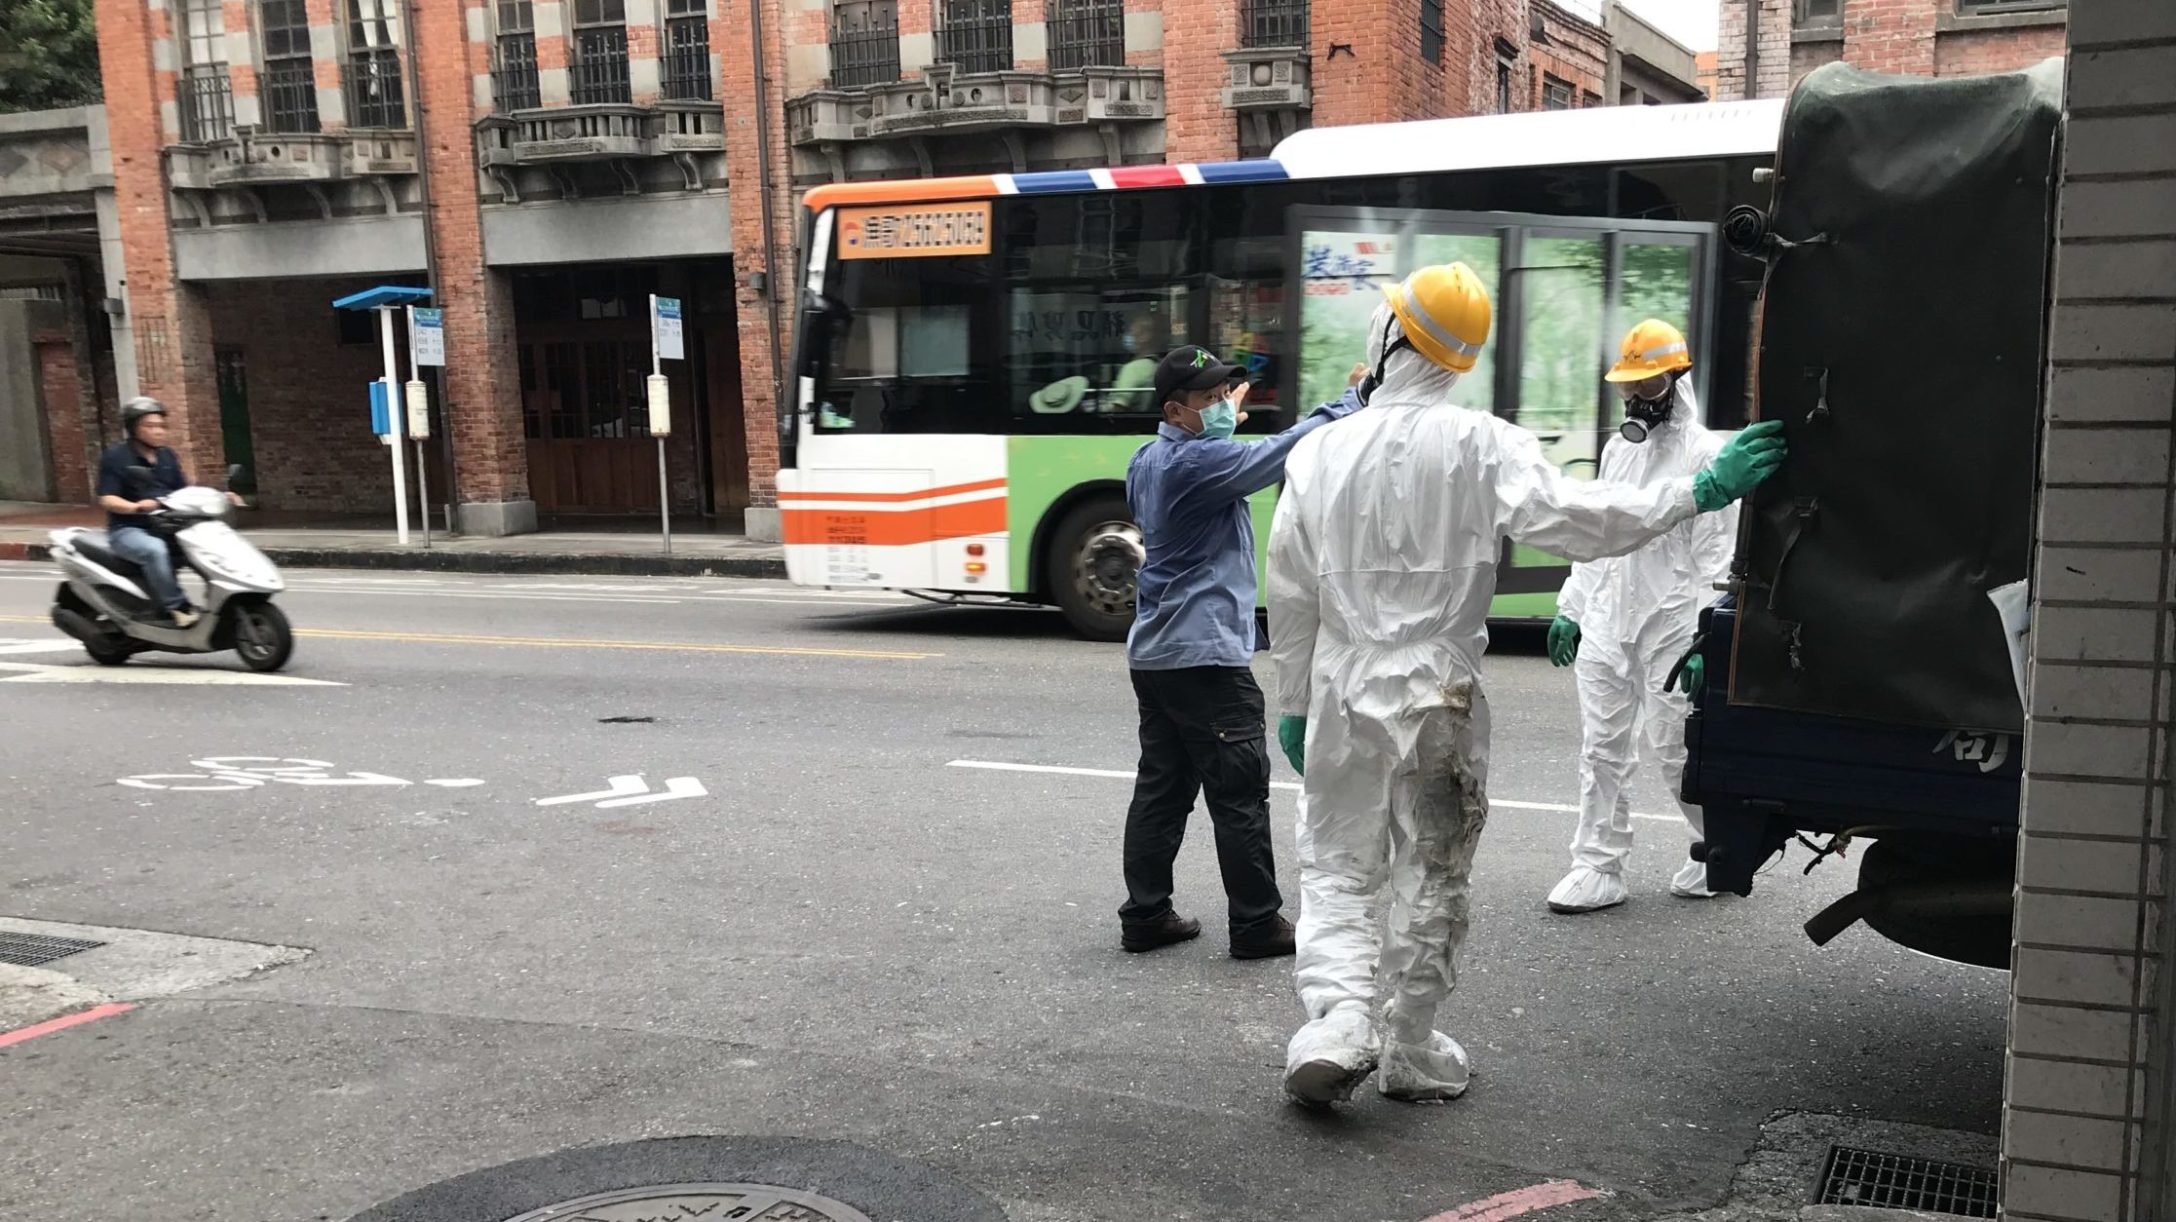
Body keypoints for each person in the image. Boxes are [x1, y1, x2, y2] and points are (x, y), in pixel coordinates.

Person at [1265, 265, 1785, 1105]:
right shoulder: (1483, 443)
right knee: (1433, 865)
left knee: (1336, 860)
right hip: (1439, 690)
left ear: (1393, 338)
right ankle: (1409, 1043)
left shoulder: (1319, 450)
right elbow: (1580, 520)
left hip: (1342, 685)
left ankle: (1337, 1020)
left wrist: (1293, 701)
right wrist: (1697, 493)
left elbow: (1290, 589)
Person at [1118, 346, 1367, 959]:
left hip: (1157, 653)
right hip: (1204, 658)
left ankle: (1145, 915)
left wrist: (1219, 427)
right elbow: (1289, 449)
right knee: (1239, 793)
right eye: (1208, 399)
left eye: (1224, 394)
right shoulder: (1197, 462)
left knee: (1162, 789)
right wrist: (1355, 398)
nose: (1223, 405)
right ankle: (1256, 924)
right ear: (1175, 411)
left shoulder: (1147, 459)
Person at [1545, 320, 1736, 915]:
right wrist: (1572, 606)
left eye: (1648, 385)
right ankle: (1597, 863)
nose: (1636, 398)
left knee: (1676, 749)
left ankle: (1719, 848)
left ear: (1677, 381)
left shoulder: (1705, 455)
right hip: (1608, 618)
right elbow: (1599, 533)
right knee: (1600, 749)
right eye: (1628, 386)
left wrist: (1708, 638)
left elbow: (1717, 558)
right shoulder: (1617, 450)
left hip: (1672, 624)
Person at [95, 397, 205, 627]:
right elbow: (107, 498)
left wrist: (218, 496)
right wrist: (135, 507)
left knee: (204, 546)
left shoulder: (167, 456)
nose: (158, 431)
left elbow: (182, 491)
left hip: (167, 524)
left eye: (162, 426)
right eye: (150, 426)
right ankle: (178, 607)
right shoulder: (116, 457)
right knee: (155, 550)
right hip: (129, 529)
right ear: (133, 428)